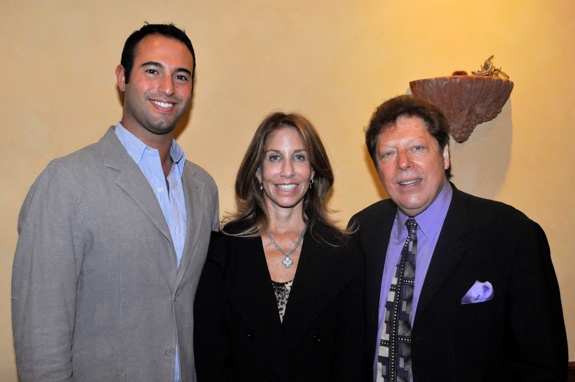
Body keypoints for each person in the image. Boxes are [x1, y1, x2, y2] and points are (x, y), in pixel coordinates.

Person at [11, 23, 219, 381]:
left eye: (181, 76)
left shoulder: (203, 188)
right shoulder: (66, 182)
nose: (167, 88)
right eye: (152, 71)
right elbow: (41, 338)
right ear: (122, 77)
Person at [349, 95, 568, 381]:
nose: (404, 163)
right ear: (378, 170)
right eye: (388, 153)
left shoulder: (511, 235)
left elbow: (543, 364)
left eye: (417, 148)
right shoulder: (362, 231)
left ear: (444, 155)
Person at [194, 112, 365, 381]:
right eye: (275, 157)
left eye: (299, 157)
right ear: (258, 171)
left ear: (313, 171)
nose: (288, 170)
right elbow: (210, 359)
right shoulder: (222, 252)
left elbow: (352, 362)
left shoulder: (344, 254)